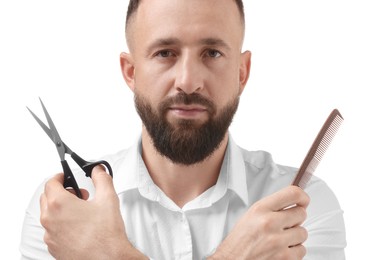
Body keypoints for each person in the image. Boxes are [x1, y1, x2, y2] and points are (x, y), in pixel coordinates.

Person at [20, 0, 346, 259]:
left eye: (212, 53)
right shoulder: (63, 213)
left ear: (242, 73)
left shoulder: (304, 211)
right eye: (165, 53)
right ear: (131, 72)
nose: (188, 81)